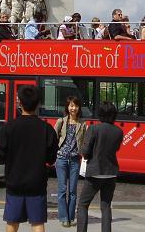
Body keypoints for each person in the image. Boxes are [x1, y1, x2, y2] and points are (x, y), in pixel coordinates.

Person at [0, 85, 58, 232]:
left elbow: (0, 155)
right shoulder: (46, 129)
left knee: (12, 222)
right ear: (38, 104)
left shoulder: (9, 127)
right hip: (37, 183)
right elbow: (51, 158)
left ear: (20, 103)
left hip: (14, 182)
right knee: (37, 223)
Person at [76, 102, 123, 232]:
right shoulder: (119, 131)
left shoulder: (94, 129)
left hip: (95, 172)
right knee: (106, 206)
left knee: (83, 204)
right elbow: (116, 148)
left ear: (100, 114)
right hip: (111, 172)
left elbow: (85, 151)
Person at [54, 97, 87, 227]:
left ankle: (71, 217)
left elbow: (85, 141)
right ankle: (64, 218)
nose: (73, 108)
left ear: (79, 108)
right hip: (61, 158)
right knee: (62, 189)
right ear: (67, 107)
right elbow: (54, 138)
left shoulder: (82, 124)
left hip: (74, 160)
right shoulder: (61, 121)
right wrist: (55, 153)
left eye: (76, 106)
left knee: (73, 191)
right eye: (71, 105)